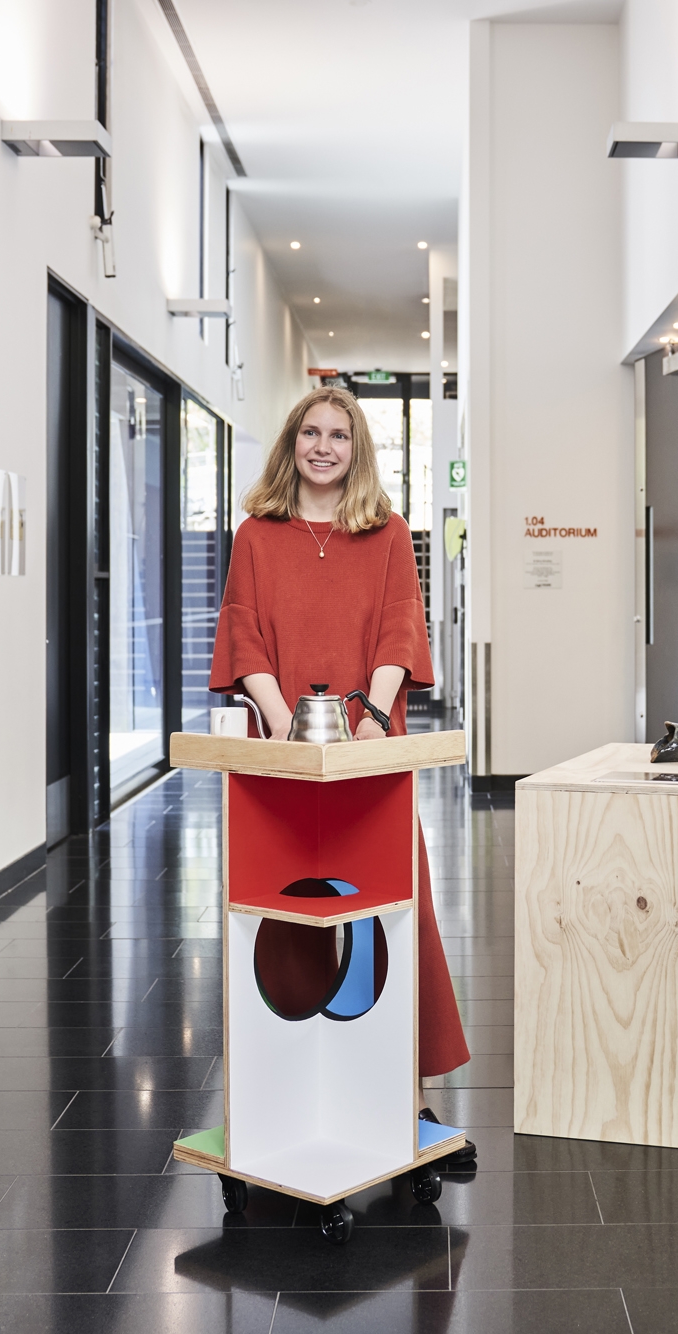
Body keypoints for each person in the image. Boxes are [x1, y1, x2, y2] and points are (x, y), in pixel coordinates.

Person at [208, 385, 474, 1158]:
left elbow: (400, 625)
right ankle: (284, 1094)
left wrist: (369, 718)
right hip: (284, 756)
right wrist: (282, 719)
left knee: (398, 912)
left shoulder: (387, 532)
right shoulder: (255, 534)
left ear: (357, 450)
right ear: (292, 443)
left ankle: (411, 1097)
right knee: (283, 915)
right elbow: (245, 634)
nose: (323, 447)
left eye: (339, 436)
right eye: (311, 433)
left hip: (372, 751)